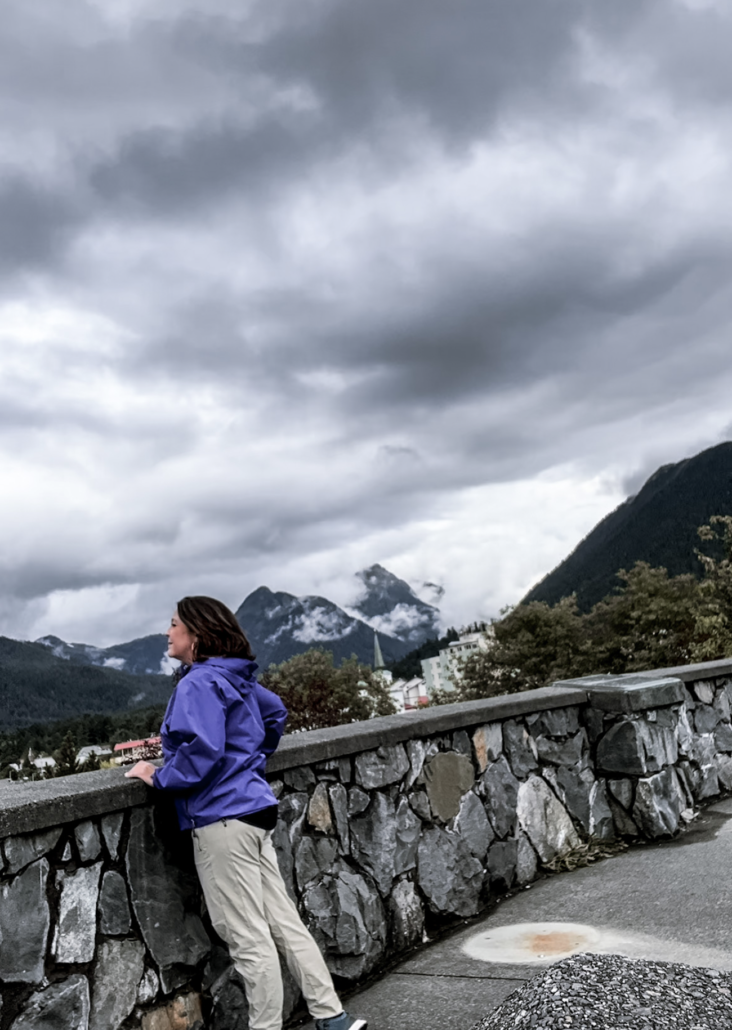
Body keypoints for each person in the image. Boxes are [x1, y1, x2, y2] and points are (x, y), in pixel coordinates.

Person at [125, 596, 367, 1030]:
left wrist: (157, 776)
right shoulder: (235, 678)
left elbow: (202, 750)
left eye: (174, 623)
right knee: (282, 922)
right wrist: (248, 760)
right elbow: (274, 712)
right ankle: (334, 1018)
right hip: (254, 809)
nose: (167, 631)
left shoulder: (198, 683)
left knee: (247, 936)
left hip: (221, 819)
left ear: (196, 635)